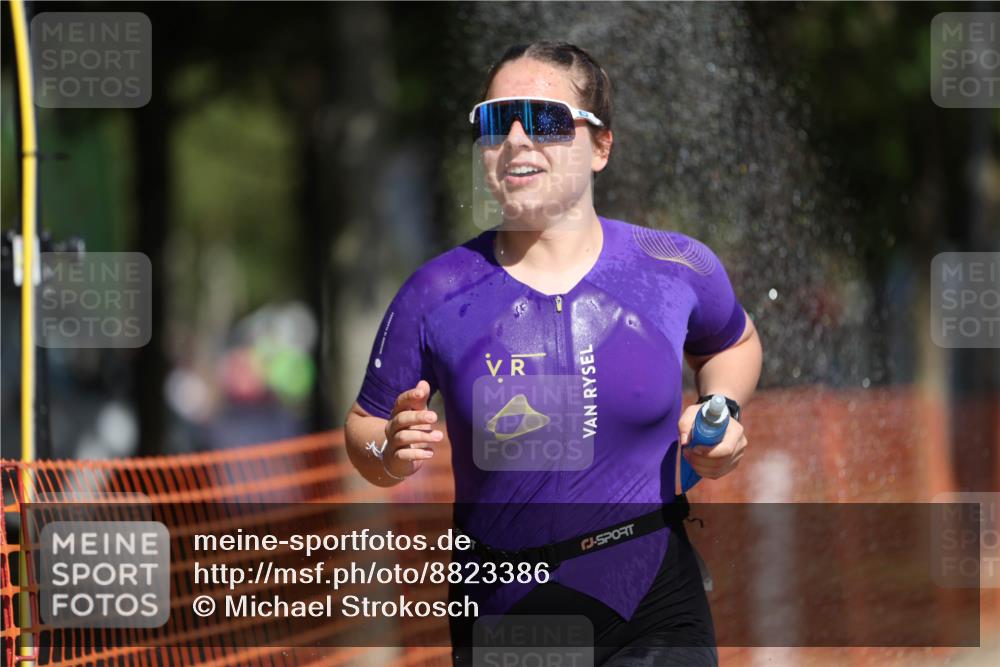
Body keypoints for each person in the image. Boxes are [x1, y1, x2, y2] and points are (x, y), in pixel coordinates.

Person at [344, 41, 763, 666]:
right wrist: (389, 452)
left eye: (542, 119)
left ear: (601, 146)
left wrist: (721, 408)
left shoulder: (674, 266)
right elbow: (365, 432)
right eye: (495, 121)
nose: (515, 139)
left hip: (653, 598)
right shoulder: (436, 292)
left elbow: (734, 342)